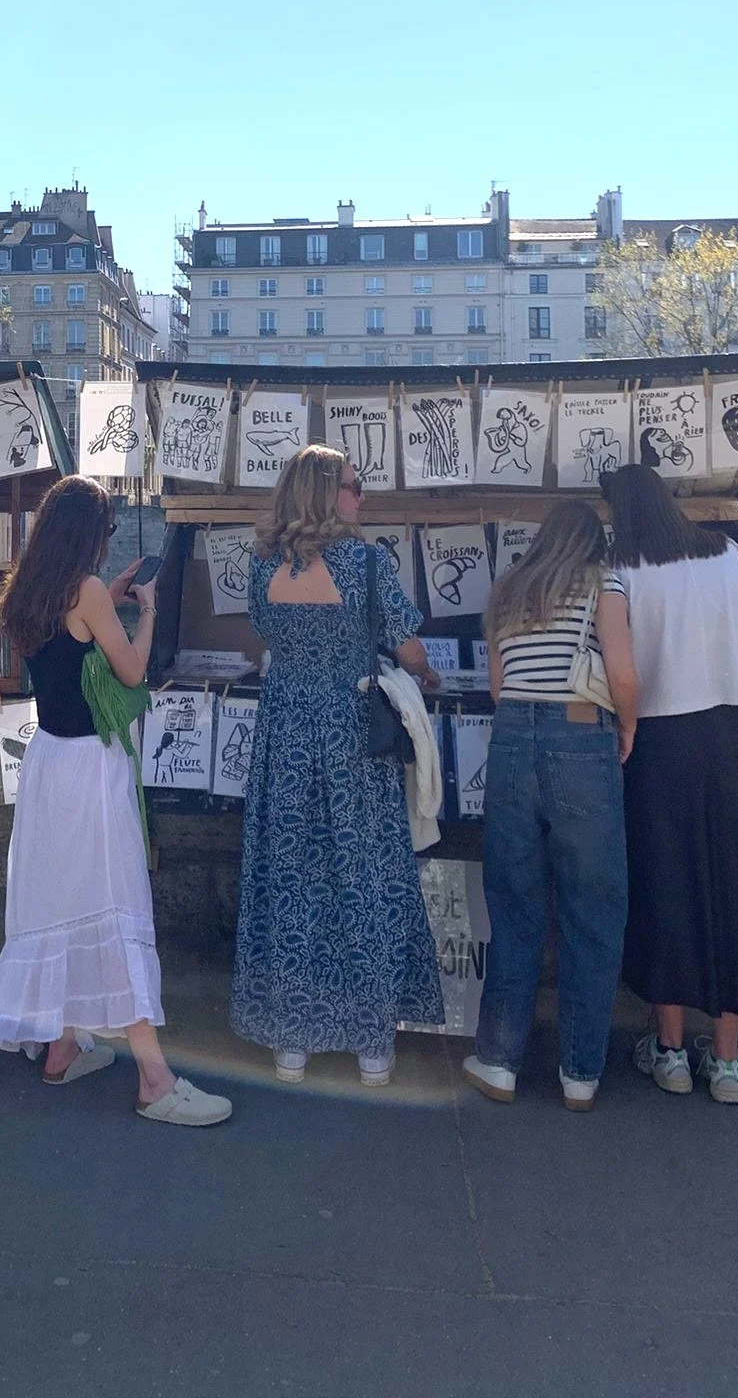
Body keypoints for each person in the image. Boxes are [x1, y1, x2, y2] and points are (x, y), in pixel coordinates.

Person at [0, 474, 231, 1128]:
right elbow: (132, 671)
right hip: (92, 767)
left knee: (63, 903)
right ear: (90, 533)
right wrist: (144, 611)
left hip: (48, 762)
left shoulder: (28, 589)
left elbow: (67, 645)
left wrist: (106, 604)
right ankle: (154, 1079)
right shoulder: (86, 590)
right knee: (114, 904)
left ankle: (62, 1047)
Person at [232, 444, 445, 1084]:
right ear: (327, 494)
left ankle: (291, 1042)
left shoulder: (261, 566)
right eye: (355, 486)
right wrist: (426, 675)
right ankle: (372, 1046)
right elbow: (408, 646)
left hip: (285, 734)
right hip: (353, 735)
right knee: (364, 877)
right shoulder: (367, 563)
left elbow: (263, 631)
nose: (362, 497)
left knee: (290, 879)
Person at [462, 503, 639, 1113]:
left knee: (514, 905)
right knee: (592, 910)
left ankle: (499, 1062)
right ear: (594, 542)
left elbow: (497, 686)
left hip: (512, 739)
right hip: (581, 736)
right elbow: (621, 674)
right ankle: (580, 1074)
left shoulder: (507, 589)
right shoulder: (603, 584)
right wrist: (628, 727)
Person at [601, 464, 738, 1106]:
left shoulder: (623, 570)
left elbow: (619, 669)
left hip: (658, 737)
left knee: (664, 883)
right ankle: (726, 1062)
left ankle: (670, 1051)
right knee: (730, 884)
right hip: (729, 734)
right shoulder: (728, 555)